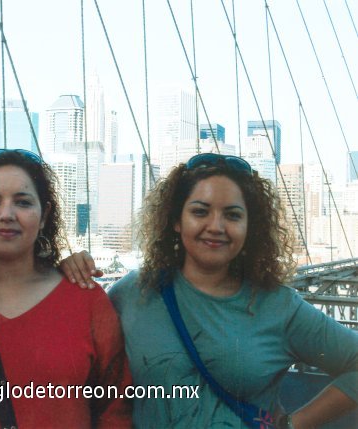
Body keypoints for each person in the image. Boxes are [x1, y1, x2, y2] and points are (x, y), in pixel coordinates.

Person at [60, 153, 358, 428]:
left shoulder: (279, 306)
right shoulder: (133, 293)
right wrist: (60, 275)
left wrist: (293, 425)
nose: (216, 226)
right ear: (176, 221)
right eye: (200, 212)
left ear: (249, 226)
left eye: (232, 215)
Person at [0, 149, 132, 428]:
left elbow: (116, 406)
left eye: (23, 202)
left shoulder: (86, 299)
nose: (7, 214)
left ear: (44, 215)